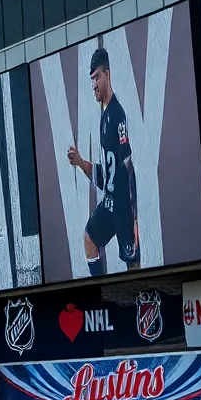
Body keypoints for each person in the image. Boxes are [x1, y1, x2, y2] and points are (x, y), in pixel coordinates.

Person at [66, 47, 139, 276]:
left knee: (133, 265)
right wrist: (79, 162)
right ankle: (102, 292)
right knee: (89, 239)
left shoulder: (117, 114)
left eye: (97, 77)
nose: (94, 84)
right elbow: (106, 175)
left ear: (107, 74)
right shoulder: (104, 116)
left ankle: (142, 305)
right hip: (109, 201)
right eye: (91, 79)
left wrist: (134, 216)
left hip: (122, 206)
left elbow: (128, 167)